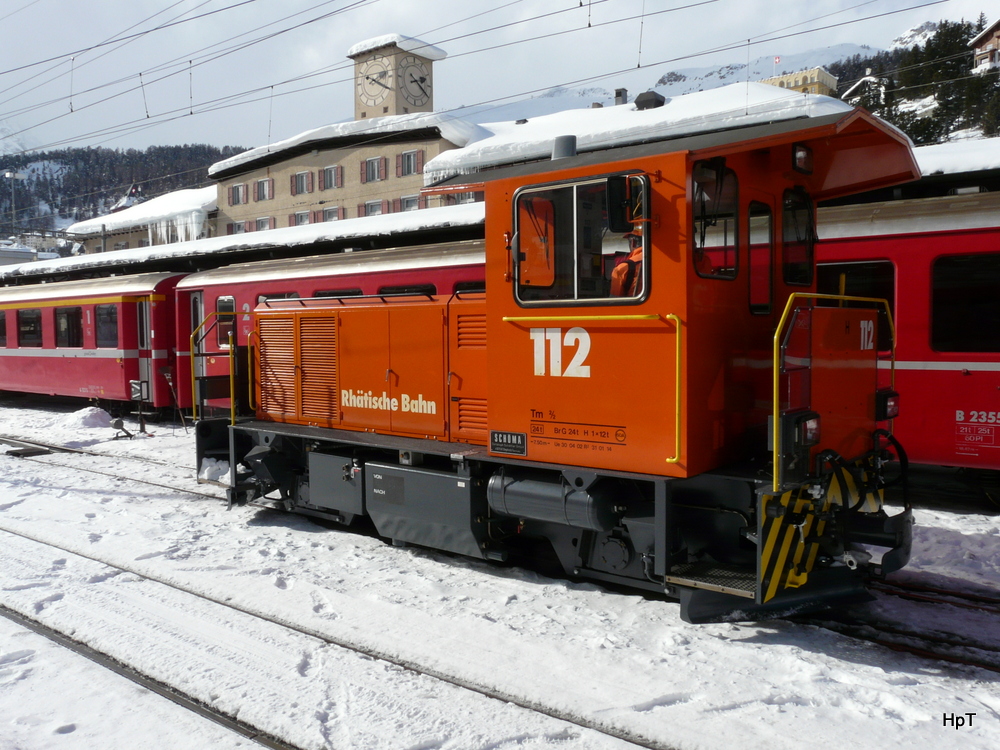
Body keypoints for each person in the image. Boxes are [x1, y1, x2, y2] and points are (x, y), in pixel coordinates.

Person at [610, 231, 643, 297]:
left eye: (629, 242)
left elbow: (615, 302)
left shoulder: (623, 268)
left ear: (633, 242)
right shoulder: (662, 263)